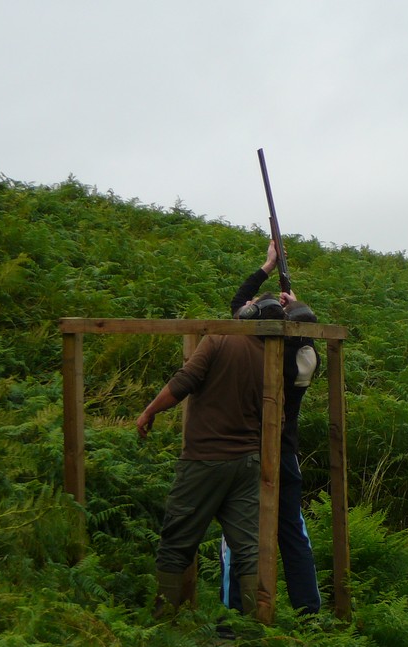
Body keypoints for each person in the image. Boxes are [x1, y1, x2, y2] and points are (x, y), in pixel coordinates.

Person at [136, 293, 285, 619]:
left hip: (204, 458)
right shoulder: (273, 357)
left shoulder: (219, 338)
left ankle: (162, 628)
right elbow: (278, 416)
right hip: (247, 463)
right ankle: (257, 632)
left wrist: (149, 411)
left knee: (175, 544)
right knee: (248, 551)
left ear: (251, 313)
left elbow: (184, 382)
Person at [221, 240, 322, 615]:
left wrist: (267, 266)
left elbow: (237, 306)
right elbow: (304, 327)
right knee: (293, 532)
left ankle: (233, 616)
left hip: (246, 450)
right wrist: (295, 304)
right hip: (286, 452)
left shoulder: (249, 351)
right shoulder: (306, 356)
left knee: (237, 534)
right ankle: (308, 613)